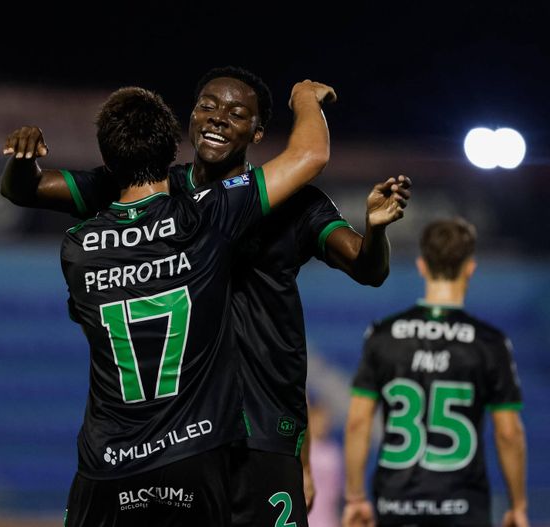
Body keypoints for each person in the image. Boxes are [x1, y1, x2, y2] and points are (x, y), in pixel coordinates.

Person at [1, 66, 411, 527]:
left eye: (236, 113)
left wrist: (375, 231)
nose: (217, 119)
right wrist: (21, 158)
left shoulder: (296, 202)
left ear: (257, 132)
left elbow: (366, 267)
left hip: (262, 423)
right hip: (184, 432)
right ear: (190, 118)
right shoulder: (154, 186)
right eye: (207, 107)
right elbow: (27, 189)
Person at [47, 81, 336, 526]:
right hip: (189, 453)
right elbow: (309, 157)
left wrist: (23, 172)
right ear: (171, 156)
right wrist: (304, 98)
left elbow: (31, 191)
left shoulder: (77, 247)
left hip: (103, 464)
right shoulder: (203, 220)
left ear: (107, 161)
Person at [342, 218, 529, 527]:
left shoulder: (382, 335)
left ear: (421, 265)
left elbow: (358, 423)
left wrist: (355, 498)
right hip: (463, 506)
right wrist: (517, 505)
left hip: (396, 504)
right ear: (470, 267)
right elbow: (509, 434)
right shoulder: (489, 342)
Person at [306, 401, 344, 527]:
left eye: (325, 421)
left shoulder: (333, 452)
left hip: (327, 517)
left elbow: (337, 490)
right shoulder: (303, 450)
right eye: (318, 420)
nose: (323, 425)